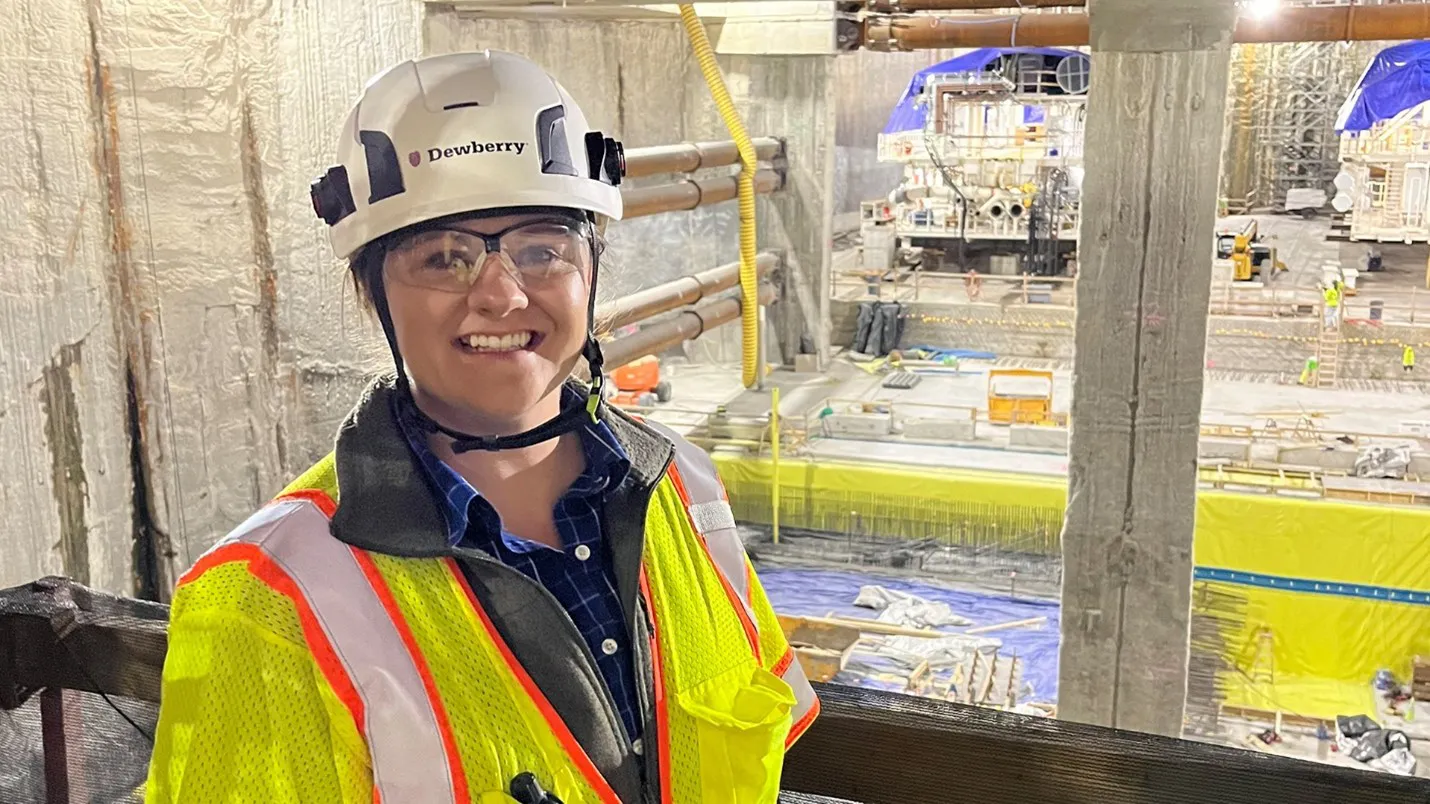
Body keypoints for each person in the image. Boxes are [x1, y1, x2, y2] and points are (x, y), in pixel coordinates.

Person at [145, 51, 816, 804]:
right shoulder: (268, 600)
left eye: (541, 250)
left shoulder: (687, 492)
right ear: (372, 297)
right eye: (445, 257)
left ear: (590, 270)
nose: (501, 294)